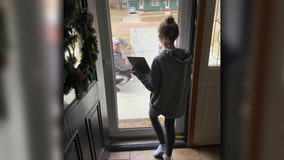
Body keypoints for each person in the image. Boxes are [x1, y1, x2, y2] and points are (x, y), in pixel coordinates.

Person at [131, 16, 192, 160]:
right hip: (177, 101)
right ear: (176, 36)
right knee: (170, 125)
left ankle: (163, 145)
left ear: (159, 37)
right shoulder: (186, 56)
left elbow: (153, 87)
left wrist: (139, 74)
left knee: (153, 116)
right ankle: (168, 155)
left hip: (162, 101)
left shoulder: (159, 60)